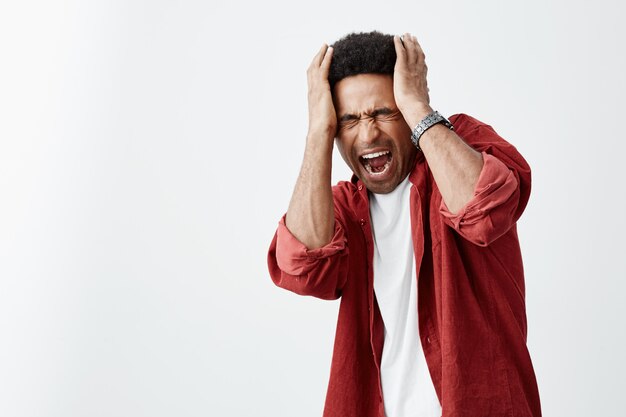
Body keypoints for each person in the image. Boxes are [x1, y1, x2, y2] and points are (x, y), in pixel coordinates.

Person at [267, 31, 541, 417]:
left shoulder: (466, 144)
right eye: (348, 120)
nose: (368, 133)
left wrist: (416, 107)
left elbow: (484, 213)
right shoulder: (343, 208)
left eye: (383, 112)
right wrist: (318, 132)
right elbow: (301, 266)